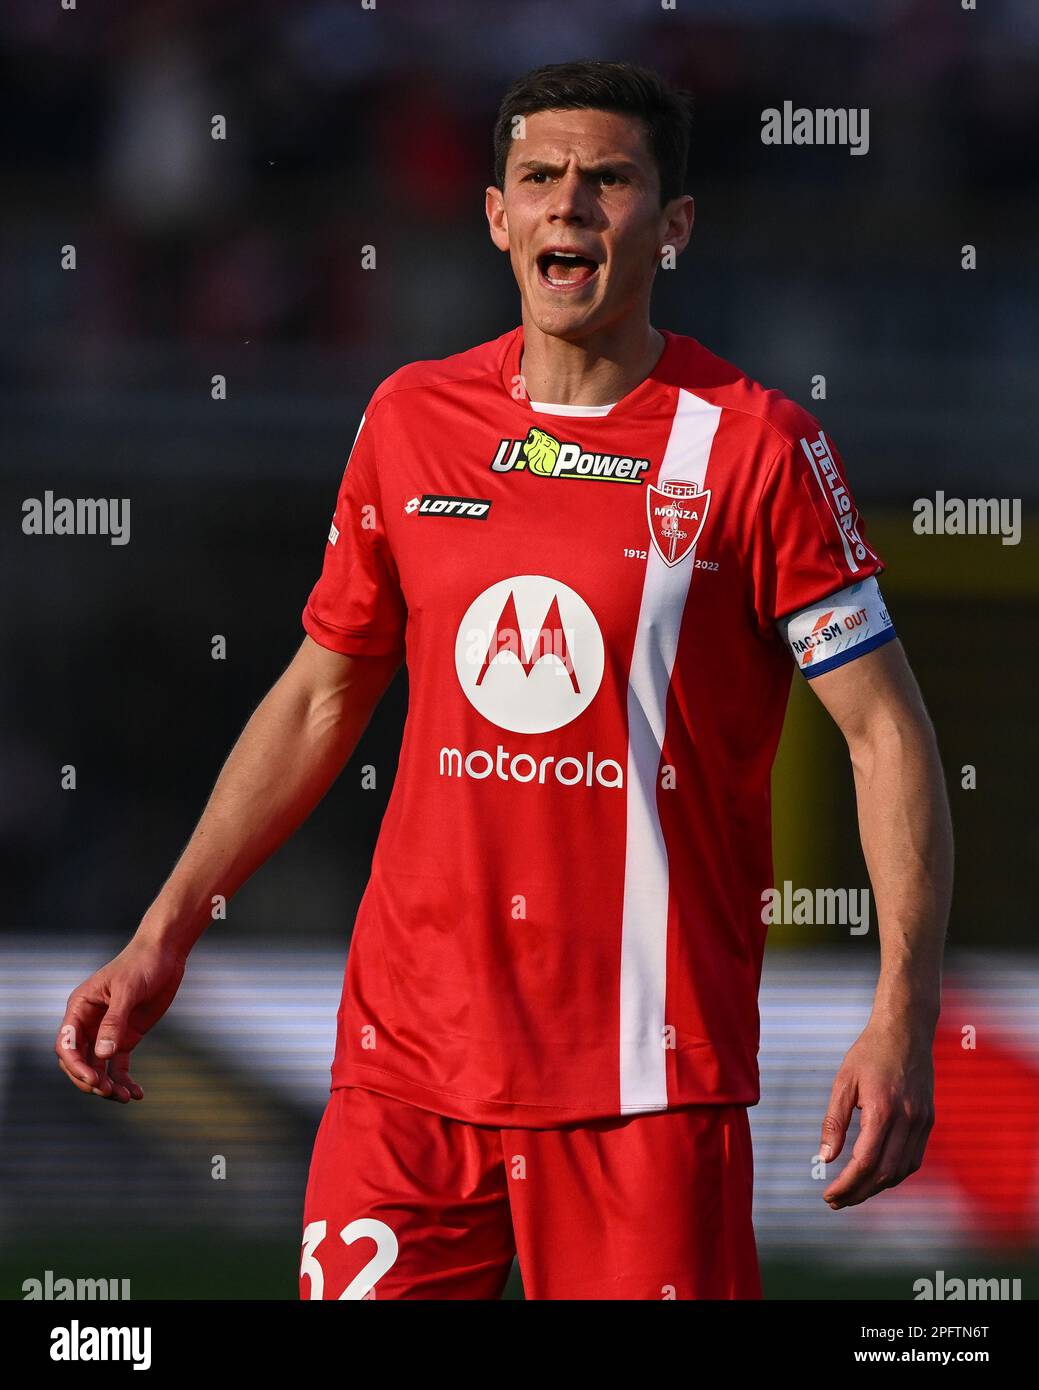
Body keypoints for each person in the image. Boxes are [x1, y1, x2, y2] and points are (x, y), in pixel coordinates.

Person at [56, 60, 952, 1300]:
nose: (569, 205)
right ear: (496, 216)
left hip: (643, 1073)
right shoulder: (407, 418)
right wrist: (166, 929)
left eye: (609, 179)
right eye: (540, 177)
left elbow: (885, 737)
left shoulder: (756, 447)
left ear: (672, 224)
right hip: (406, 1068)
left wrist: (901, 1007)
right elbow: (323, 691)